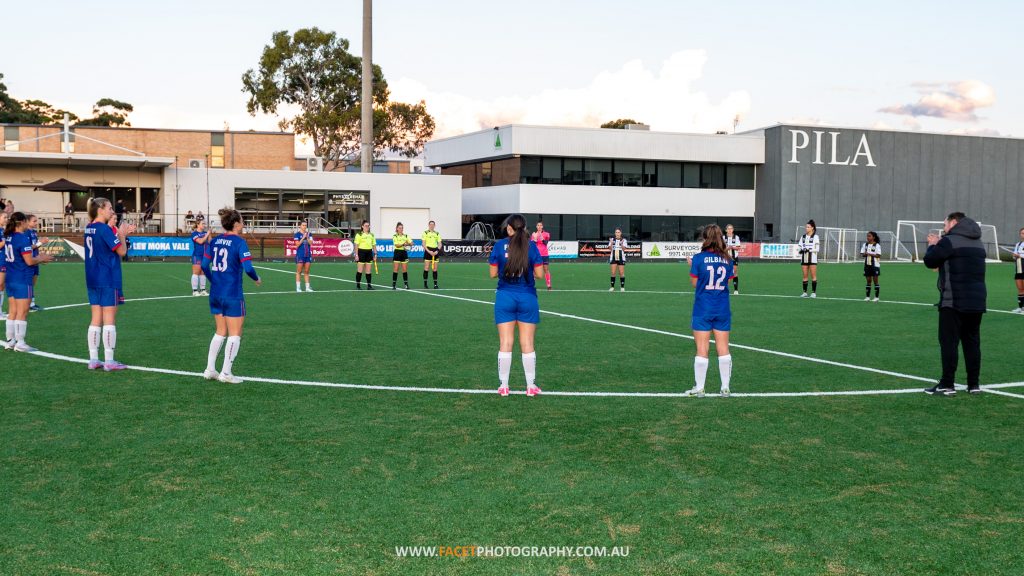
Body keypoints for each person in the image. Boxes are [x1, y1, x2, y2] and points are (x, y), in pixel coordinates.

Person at [923, 211, 987, 396]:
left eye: (945, 225)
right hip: (977, 300)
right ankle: (973, 384)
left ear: (953, 222)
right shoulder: (978, 242)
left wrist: (932, 245)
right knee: (972, 342)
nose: (944, 228)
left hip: (953, 300)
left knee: (949, 342)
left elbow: (930, 261)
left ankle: (947, 384)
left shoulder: (949, 241)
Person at [201, 208, 262, 384]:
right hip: (232, 293)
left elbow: (205, 265)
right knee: (235, 333)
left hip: (216, 292)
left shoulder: (214, 241)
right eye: (242, 221)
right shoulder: (239, 242)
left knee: (220, 331)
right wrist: (257, 278)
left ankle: (210, 369)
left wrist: (214, 280)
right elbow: (248, 268)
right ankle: (226, 372)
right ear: (235, 224)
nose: (243, 224)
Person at [489, 213, 544, 397]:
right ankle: (530, 386)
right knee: (527, 343)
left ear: (510, 228)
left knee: (505, 342)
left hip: (505, 297)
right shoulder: (532, 246)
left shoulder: (499, 245)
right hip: (527, 297)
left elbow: (492, 273)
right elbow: (539, 274)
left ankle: (504, 386)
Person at [684, 224, 735, 398]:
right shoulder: (728, 260)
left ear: (705, 239)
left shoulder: (698, 258)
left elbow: (695, 283)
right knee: (723, 348)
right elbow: (726, 282)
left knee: (702, 348)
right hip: (722, 308)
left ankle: (700, 388)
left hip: (703, 308)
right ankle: (725, 387)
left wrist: (692, 265)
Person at [84, 198, 135, 371]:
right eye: (110, 208)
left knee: (95, 319)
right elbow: (121, 251)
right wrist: (121, 233)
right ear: (100, 210)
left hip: (92, 277)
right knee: (109, 320)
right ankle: (109, 361)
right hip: (107, 277)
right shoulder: (104, 229)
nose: (112, 211)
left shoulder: (89, 228)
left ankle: (93, 359)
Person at [3, 212, 53, 351]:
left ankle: (11, 341)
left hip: (10, 278)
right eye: (26, 221)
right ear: (22, 222)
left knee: (12, 311)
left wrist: (38, 257)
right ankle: (20, 342)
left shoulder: (9, 237)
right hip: (22, 278)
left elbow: (22, 253)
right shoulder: (22, 238)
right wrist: (41, 258)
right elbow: (29, 260)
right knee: (22, 312)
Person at [26, 214, 47, 312]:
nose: (36, 223)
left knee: (32, 283)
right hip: (30, 260)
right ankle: (29, 303)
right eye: (34, 221)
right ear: (27, 222)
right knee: (29, 283)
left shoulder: (34, 232)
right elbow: (28, 247)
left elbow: (35, 247)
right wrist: (40, 243)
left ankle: (31, 303)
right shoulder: (26, 233)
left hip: (35, 259)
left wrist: (40, 256)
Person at [797, 219, 819, 298]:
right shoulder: (802, 237)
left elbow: (817, 249)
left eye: (808, 227)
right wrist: (800, 250)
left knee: (813, 275)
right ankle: (804, 292)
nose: (806, 228)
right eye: (806, 227)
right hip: (804, 259)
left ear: (812, 228)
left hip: (812, 259)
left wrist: (808, 250)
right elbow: (799, 247)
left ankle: (813, 293)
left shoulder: (815, 237)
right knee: (805, 275)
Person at [190, 220, 211, 296]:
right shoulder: (194, 234)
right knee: (196, 272)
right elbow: (201, 241)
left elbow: (210, 242)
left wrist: (209, 234)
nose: (204, 225)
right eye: (202, 223)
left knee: (203, 273)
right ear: (198, 225)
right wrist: (207, 234)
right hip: (197, 255)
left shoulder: (206, 233)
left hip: (205, 256)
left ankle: (203, 290)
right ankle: (195, 291)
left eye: (204, 223)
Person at [860, 231, 882, 302]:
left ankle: (876, 297)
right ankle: (867, 297)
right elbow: (862, 254)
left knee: (875, 281)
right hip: (867, 265)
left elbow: (878, 255)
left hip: (875, 265)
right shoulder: (865, 245)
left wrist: (869, 253)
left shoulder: (877, 245)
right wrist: (865, 254)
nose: (868, 237)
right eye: (867, 236)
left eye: (869, 236)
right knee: (868, 281)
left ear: (873, 237)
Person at [354, 220, 376, 290]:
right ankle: (358, 285)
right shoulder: (359, 235)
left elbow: (374, 245)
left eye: (368, 226)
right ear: (362, 226)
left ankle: (369, 286)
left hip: (369, 252)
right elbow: (356, 245)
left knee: (368, 271)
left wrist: (375, 254)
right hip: (361, 252)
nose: (367, 227)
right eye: (366, 226)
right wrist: (356, 255)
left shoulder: (371, 235)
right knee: (360, 270)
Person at [531, 220, 552, 290]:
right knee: (534, 270)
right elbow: (532, 245)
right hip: (536, 254)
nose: (539, 227)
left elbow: (546, 243)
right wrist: (534, 239)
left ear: (542, 226)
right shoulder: (533, 234)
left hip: (544, 254)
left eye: (540, 225)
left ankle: (549, 285)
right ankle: (532, 285)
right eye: (538, 225)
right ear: (536, 227)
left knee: (546, 269)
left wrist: (541, 238)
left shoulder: (546, 234)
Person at [294, 220, 314, 292]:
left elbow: (311, 243)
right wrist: (303, 238)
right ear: (300, 226)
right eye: (303, 225)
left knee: (307, 271)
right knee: (299, 271)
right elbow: (297, 245)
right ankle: (298, 287)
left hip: (308, 255)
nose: (304, 227)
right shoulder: (297, 234)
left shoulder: (309, 234)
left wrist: (307, 237)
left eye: (305, 225)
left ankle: (307, 287)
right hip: (300, 255)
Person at [391, 222, 412, 290]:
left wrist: (408, 243)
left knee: (404, 269)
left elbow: (412, 243)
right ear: (397, 228)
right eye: (400, 228)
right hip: (397, 252)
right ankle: (394, 284)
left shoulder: (406, 236)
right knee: (396, 269)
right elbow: (397, 245)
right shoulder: (395, 236)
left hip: (404, 253)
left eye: (402, 228)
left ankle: (406, 284)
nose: (401, 229)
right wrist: (404, 244)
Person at [422, 220, 442, 289]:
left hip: (435, 251)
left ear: (434, 225)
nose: (432, 226)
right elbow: (423, 244)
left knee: (435, 269)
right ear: (429, 225)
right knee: (426, 268)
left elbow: (440, 244)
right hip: (428, 251)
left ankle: (435, 285)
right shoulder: (425, 233)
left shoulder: (437, 233)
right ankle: (425, 284)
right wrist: (428, 251)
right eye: (430, 224)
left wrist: (437, 250)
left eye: (433, 224)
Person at [608, 228, 628, 292]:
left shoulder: (624, 240)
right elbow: (610, 249)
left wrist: (621, 244)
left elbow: (624, 249)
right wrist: (611, 243)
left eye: (618, 232)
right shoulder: (612, 240)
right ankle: (612, 287)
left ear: (621, 233)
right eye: (616, 232)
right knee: (613, 273)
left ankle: (622, 287)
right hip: (613, 258)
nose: (617, 233)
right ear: (615, 233)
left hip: (621, 258)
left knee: (621, 273)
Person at [724, 224, 741, 295]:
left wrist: (732, 247)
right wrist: (726, 248)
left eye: (731, 229)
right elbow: (721, 248)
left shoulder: (736, 237)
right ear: (726, 230)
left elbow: (738, 247)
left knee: (734, 272)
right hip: (725, 257)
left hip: (734, 257)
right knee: (724, 272)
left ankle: (736, 290)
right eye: (728, 229)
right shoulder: (723, 237)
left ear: (733, 230)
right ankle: (724, 288)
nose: (730, 230)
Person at [1012, 227, 1024, 313]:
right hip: (1019, 268)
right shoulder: (1018, 244)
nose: (1023, 235)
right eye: (1022, 233)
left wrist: (1021, 256)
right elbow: (1014, 257)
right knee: (1020, 288)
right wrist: (1015, 256)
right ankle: (1020, 308)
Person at [0, 212, 9, 320]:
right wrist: (4, 241)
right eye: (4, 217)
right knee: (0, 284)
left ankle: (1, 311)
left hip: (4, 260)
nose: (6, 219)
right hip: (0, 260)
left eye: (7, 217)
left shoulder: (3, 230)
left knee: (2, 286)